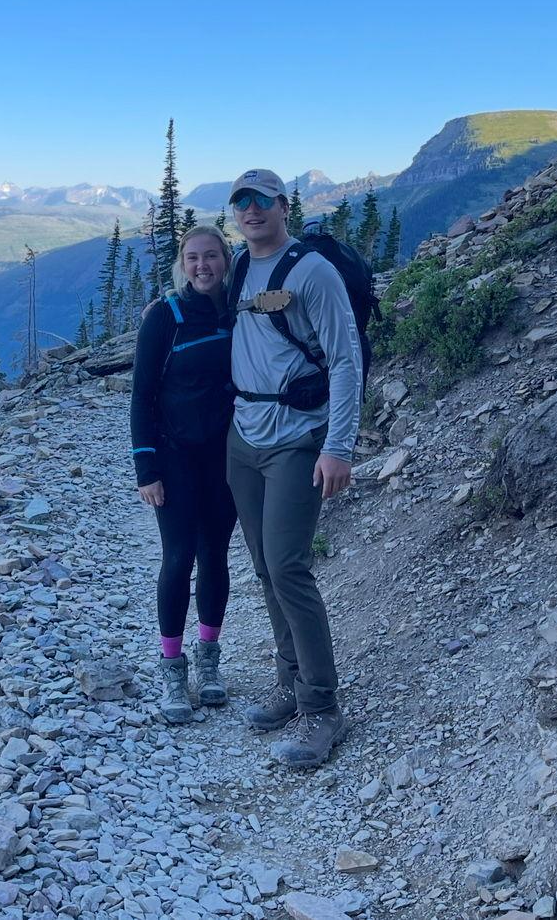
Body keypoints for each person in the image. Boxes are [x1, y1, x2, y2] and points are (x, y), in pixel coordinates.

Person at [225, 169, 362, 768]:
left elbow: (346, 360)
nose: (251, 210)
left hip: (297, 438)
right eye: (241, 201)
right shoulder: (238, 266)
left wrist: (339, 447)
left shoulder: (313, 271)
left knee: (287, 567)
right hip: (244, 437)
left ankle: (322, 709)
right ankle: (290, 682)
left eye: (263, 200)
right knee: (264, 567)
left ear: (284, 206)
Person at [130, 225, 238, 724]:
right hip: (174, 456)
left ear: (225, 260)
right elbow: (142, 396)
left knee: (215, 553)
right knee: (178, 557)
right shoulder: (165, 316)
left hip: (225, 456)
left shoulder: (237, 310)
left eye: (211, 256)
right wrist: (146, 467)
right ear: (182, 264)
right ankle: (173, 669)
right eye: (193, 258)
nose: (202, 266)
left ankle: (209, 661)